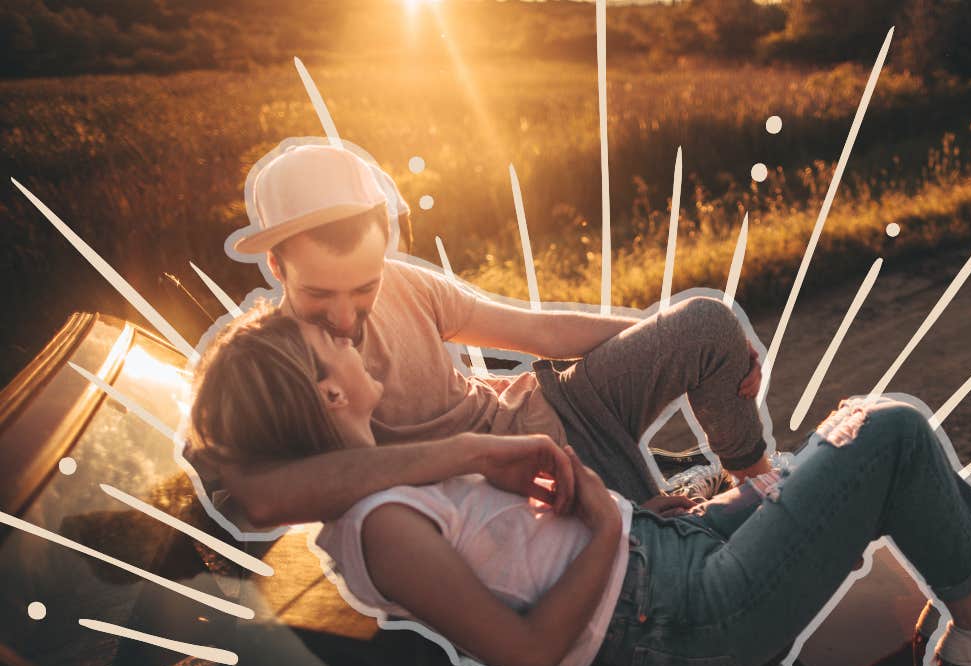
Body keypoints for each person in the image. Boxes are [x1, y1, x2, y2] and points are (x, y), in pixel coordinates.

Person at [188, 305, 971, 666]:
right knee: (880, 432)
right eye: (335, 344)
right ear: (326, 394)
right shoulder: (383, 527)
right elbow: (528, 656)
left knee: (875, 437)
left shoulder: (384, 478)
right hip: (683, 617)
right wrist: (603, 521)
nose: (356, 341)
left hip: (664, 560)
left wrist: (627, 516)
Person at [197, 138, 772, 533]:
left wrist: (689, 340)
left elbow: (537, 330)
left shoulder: (405, 283)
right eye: (321, 296)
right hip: (520, 495)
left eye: (364, 288)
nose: (346, 318)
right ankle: (700, 509)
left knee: (705, 322)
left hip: (554, 410)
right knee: (676, 546)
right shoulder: (268, 368)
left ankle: (760, 487)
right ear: (276, 266)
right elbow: (257, 495)